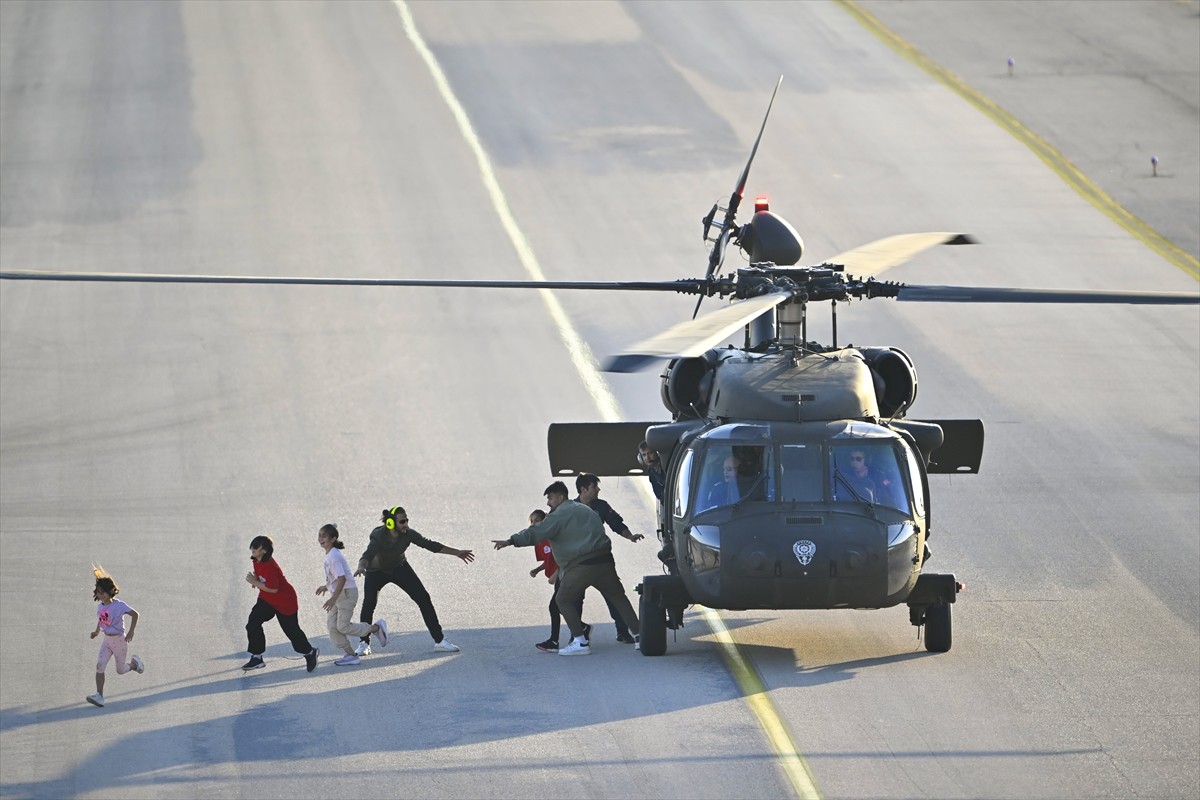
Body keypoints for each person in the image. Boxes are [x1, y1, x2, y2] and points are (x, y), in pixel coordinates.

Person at [493, 481, 639, 657]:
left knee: (562, 599)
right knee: (618, 597)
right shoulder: (584, 509)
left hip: (580, 565)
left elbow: (535, 532)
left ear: (561, 497)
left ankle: (580, 640)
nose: (548, 503)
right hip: (605, 561)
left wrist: (511, 541)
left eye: (551, 498)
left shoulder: (559, 515)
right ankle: (640, 636)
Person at [352, 506, 474, 655]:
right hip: (375, 572)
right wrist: (361, 567)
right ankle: (364, 643)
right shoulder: (378, 536)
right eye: (402, 521)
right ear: (391, 523)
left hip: (399, 567)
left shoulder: (408, 534)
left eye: (407, 520)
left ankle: (440, 641)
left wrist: (457, 553)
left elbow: (430, 545)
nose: (406, 525)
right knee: (369, 604)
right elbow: (367, 554)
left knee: (423, 598)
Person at [575, 473, 643, 644]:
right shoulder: (570, 508)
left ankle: (623, 631)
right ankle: (577, 635)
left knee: (614, 596)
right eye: (594, 487)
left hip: (600, 560)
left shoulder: (602, 506)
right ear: (583, 489)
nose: (598, 489)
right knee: (573, 599)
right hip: (577, 562)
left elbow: (616, 523)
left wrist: (630, 536)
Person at [314, 523, 389, 667]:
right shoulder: (330, 554)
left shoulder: (334, 556)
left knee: (343, 626)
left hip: (346, 594)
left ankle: (376, 628)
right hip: (338, 593)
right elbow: (335, 578)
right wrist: (326, 586)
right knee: (332, 627)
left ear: (333, 538)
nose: (320, 539)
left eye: (324, 536)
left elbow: (342, 579)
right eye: (319, 535)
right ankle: (351, 655)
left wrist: (332, 599)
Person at [243, 535, 318, 673]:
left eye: (256, 547)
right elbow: (264, 582)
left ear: (264, 550)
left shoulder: (269, 565)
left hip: (285, 601)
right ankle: (257, 657)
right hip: (267, 599)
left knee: (292, 631)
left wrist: (256, 582)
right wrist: (257, 580)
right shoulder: (256, 560)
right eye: (252, 545)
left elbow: (274, 588)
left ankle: (309, 652)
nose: (252, 548)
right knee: (252, 623)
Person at [86, 566, 144, 707]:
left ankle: (135, 664)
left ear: (110, 591)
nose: (101, 595)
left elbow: (135, 614)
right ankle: (99, 695)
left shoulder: (119, 605)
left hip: (119, 640)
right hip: (107, 640)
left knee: (120, 670)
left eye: (103, 592)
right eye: (98, 593)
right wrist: (96, 632)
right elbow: (101, 620)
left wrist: (131, 632)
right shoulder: (100, 607)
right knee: (100, 666)